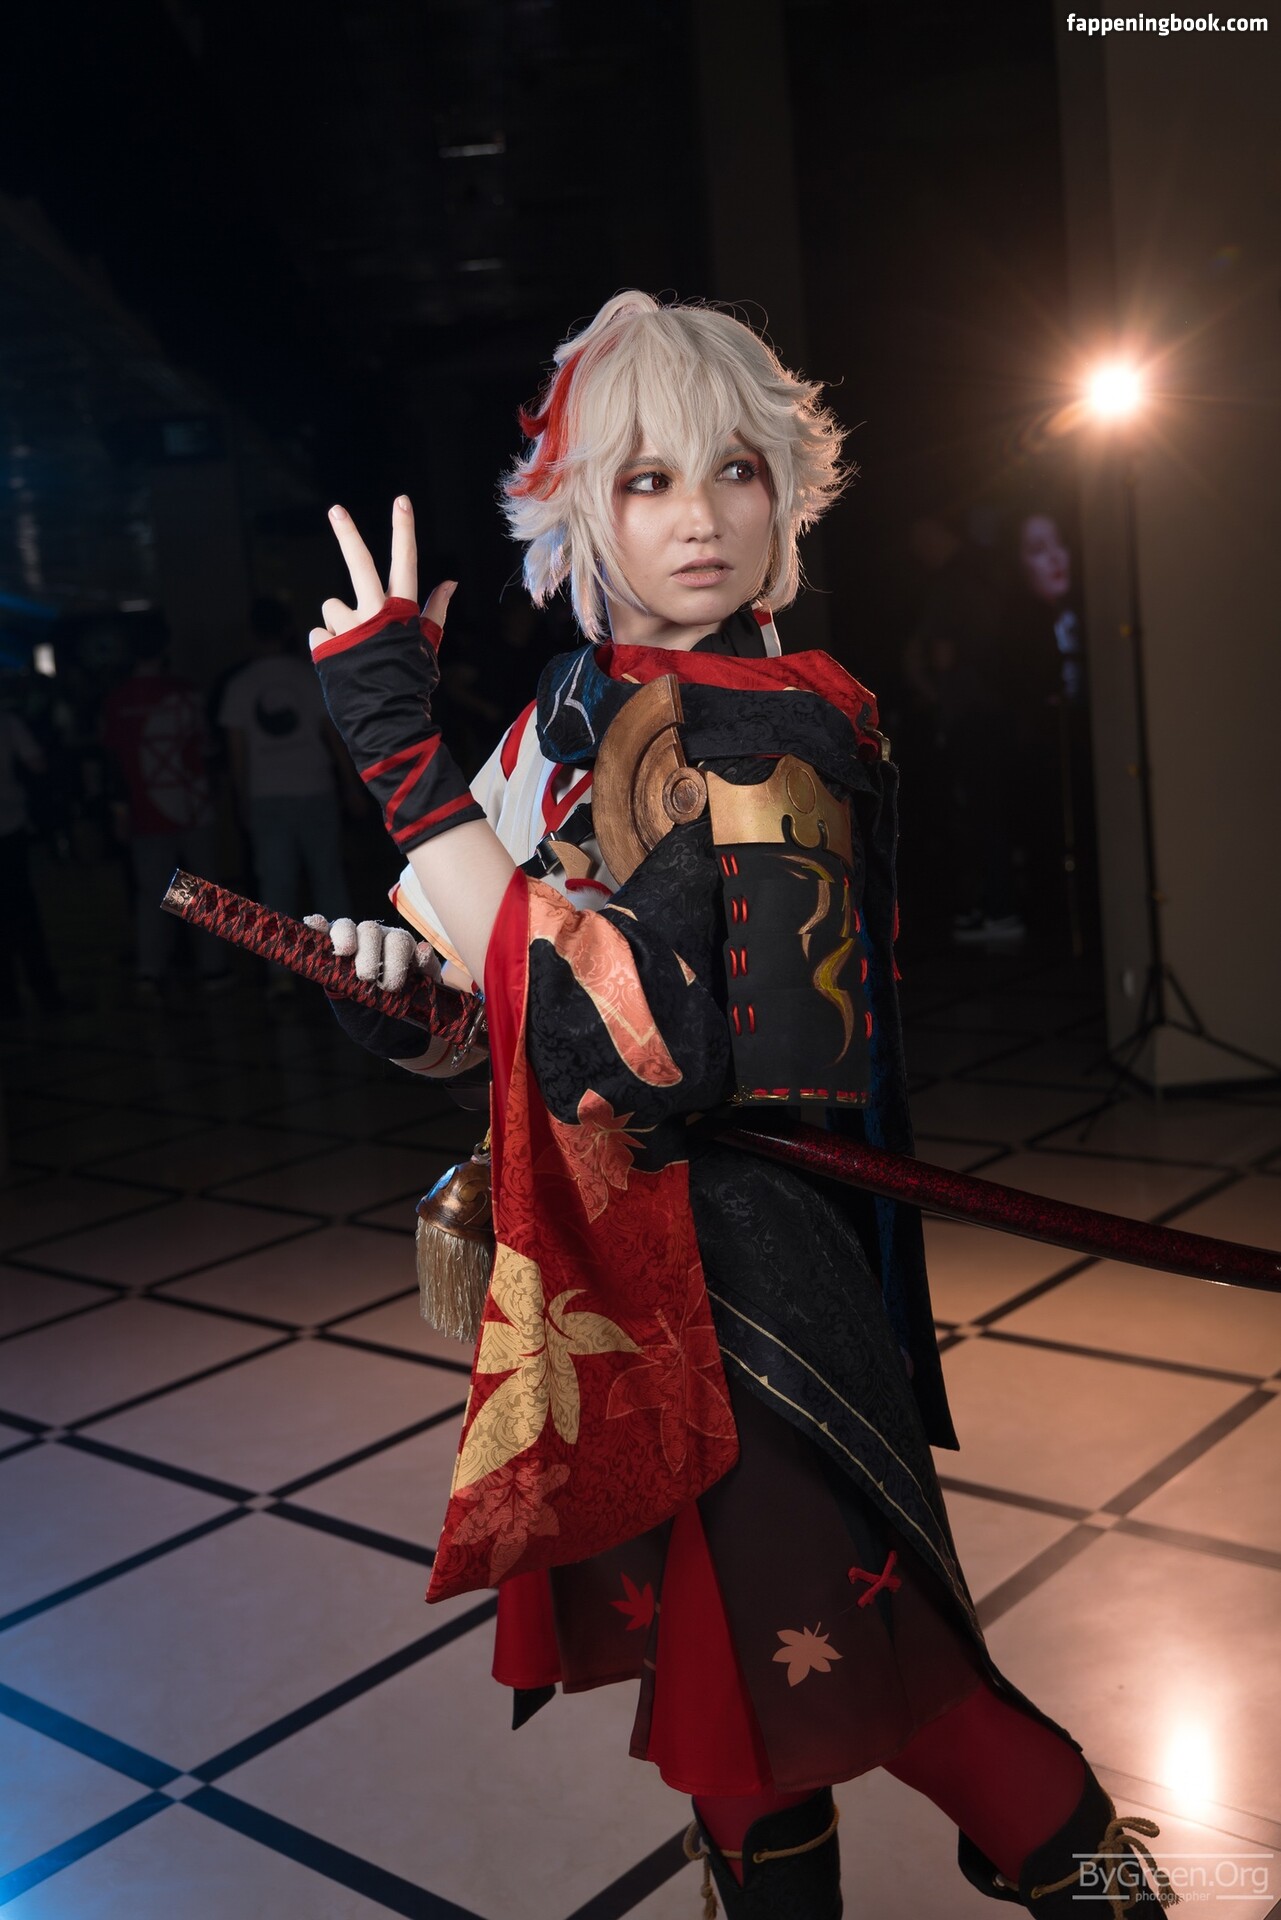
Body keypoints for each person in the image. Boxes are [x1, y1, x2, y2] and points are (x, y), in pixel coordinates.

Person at [306, 295, 1174, 1917]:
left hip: (751, 1287)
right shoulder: (569, 710)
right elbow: (490, 1016)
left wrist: (403, 771)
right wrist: (389, 980)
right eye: (645, 480)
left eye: (733, 470)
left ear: (786, 491)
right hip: (618, 1277)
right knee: (732, 1683)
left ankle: (1091, 1874)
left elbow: (648, 1048)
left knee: (855, 1654)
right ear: (581, 511)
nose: (698, 516)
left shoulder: (792, 730)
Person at [218, 595, 355, 986]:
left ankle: (280, 978)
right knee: (329, 882)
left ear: (251, 634)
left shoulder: (239, 685)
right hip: (316, 788)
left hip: (266, 796)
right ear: (287, 630)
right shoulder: (308, 675)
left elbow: (237, 754)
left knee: (275, 887)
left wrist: (241, 800)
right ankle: (346, 974)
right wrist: (350, 786)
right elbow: (333, 736)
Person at [101, 609, 228, 1001]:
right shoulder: (186, 692)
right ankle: (212, 968)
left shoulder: (118, 700)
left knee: (154, 893)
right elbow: (206, 748)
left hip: (147, 810)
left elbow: (112, 762)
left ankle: (151, 970)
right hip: (193, 808)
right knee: (200, 892)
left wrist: (119, 812)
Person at [0, 697, 63, 1014]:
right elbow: (37, 763)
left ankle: (7, 996)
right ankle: (43, 990)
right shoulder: (7, 721)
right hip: (9, 825)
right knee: (23, 910)